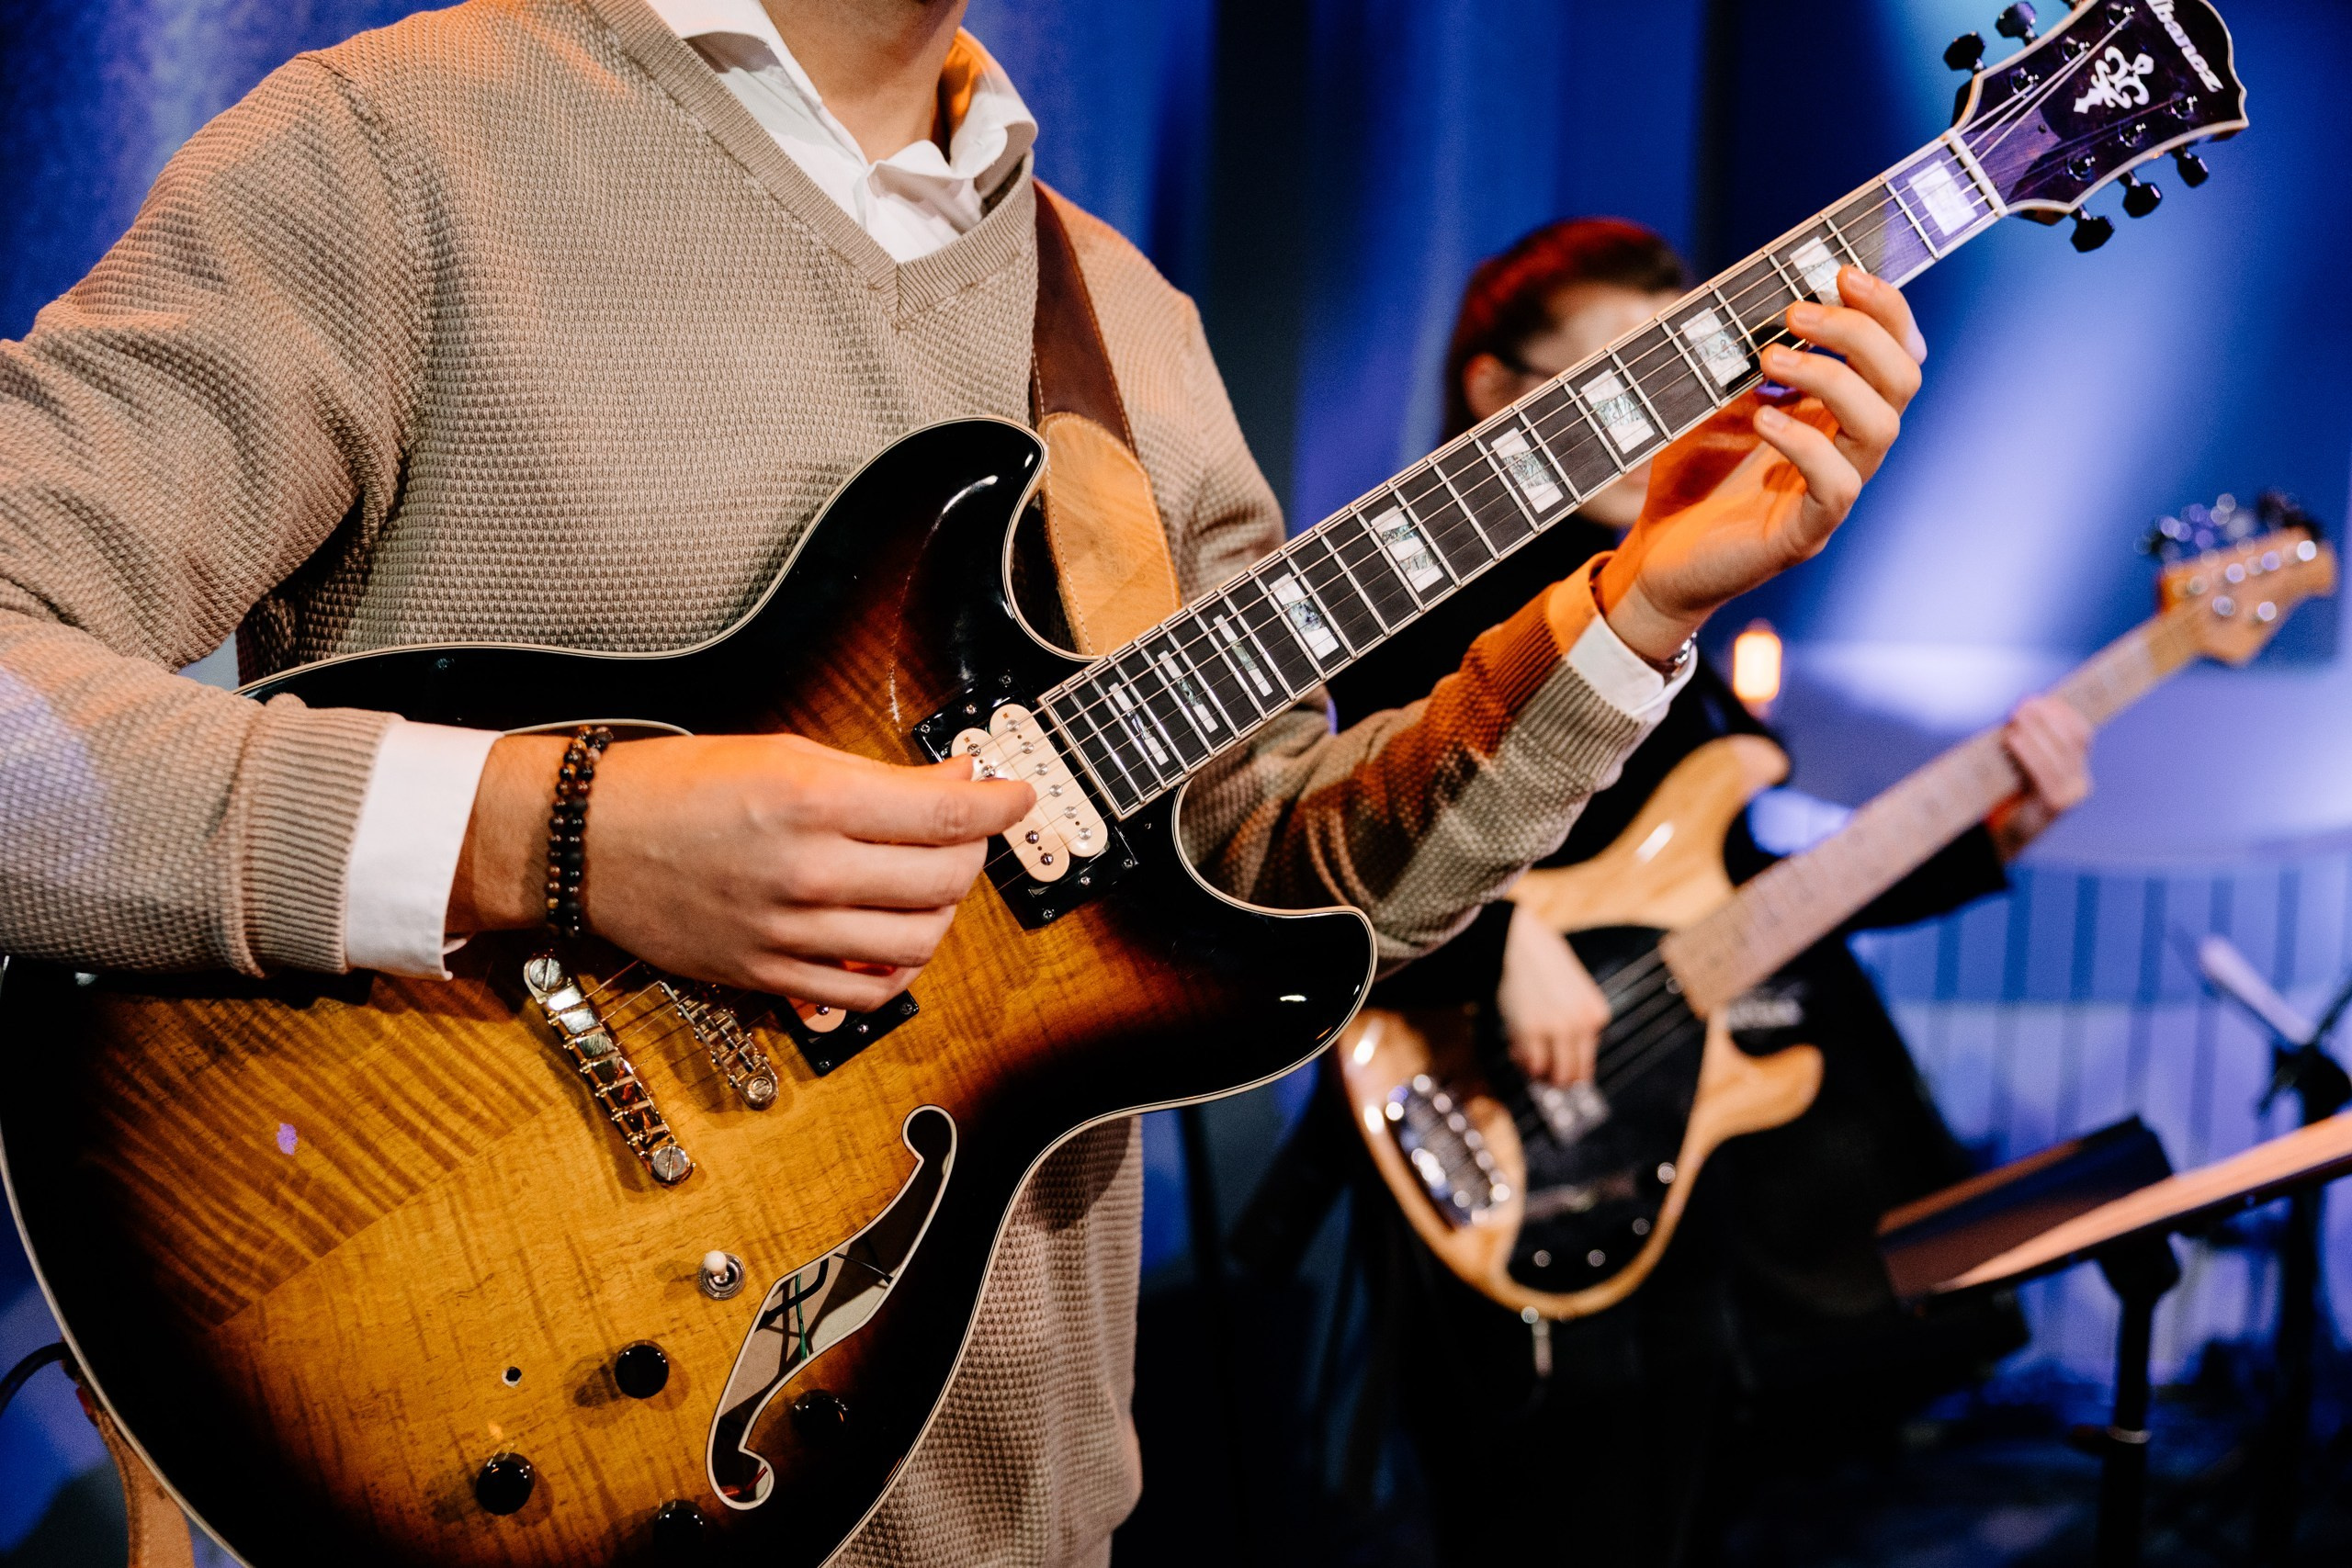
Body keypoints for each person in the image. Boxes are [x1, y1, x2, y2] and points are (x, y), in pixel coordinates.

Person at [0, 6, 1926, 1562]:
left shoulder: (1123, 323)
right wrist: (550, 832)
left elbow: (1274, 879)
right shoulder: (405, 146)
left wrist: (1624, 606)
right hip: (434, 1396)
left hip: (1008, 1508)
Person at [1315, 218, 2092, 1566]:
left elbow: (1743, 903)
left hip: (1674, 1165)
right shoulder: (1418, 595)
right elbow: (1319, 844)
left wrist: (1989, 836)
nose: (1661, 413)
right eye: (1622, 369)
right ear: (1496, 395)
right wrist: (1502, 933)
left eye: (1679, 371)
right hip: (1499, 1137)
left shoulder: (1670, 592)